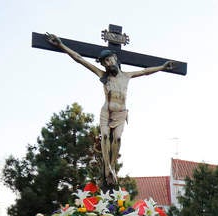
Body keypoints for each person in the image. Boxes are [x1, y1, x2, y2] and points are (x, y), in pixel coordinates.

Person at [45, 33, 175, 184]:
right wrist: (61, 45)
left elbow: (146, 71)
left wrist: (163, 67)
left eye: (108, 60)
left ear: (114, 58)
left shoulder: (127, 76)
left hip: (120, 113)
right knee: (105, 137)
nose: (107, 64)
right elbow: (80, 59)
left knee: (117, 138)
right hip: (106, 111)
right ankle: (107, 169)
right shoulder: (103, 75)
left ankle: (112, 167)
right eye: (104, 62)